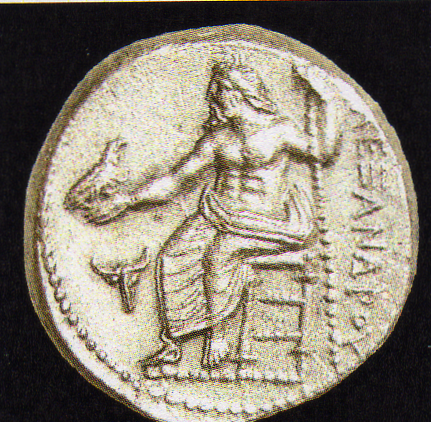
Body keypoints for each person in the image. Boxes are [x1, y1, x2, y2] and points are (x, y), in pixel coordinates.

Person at [65, 61, 320, 368]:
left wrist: (326, 99)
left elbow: (322, 151)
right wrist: (128, 200)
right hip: (218, 213)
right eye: (214, 96)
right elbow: (175, 180)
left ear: (239, 92)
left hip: (265, 221)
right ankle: (173, 344)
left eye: (219, 94)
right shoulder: (217, 140)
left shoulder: (280, 130)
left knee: (220, 252)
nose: (215, 102)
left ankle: (218, 334)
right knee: (172, 254)